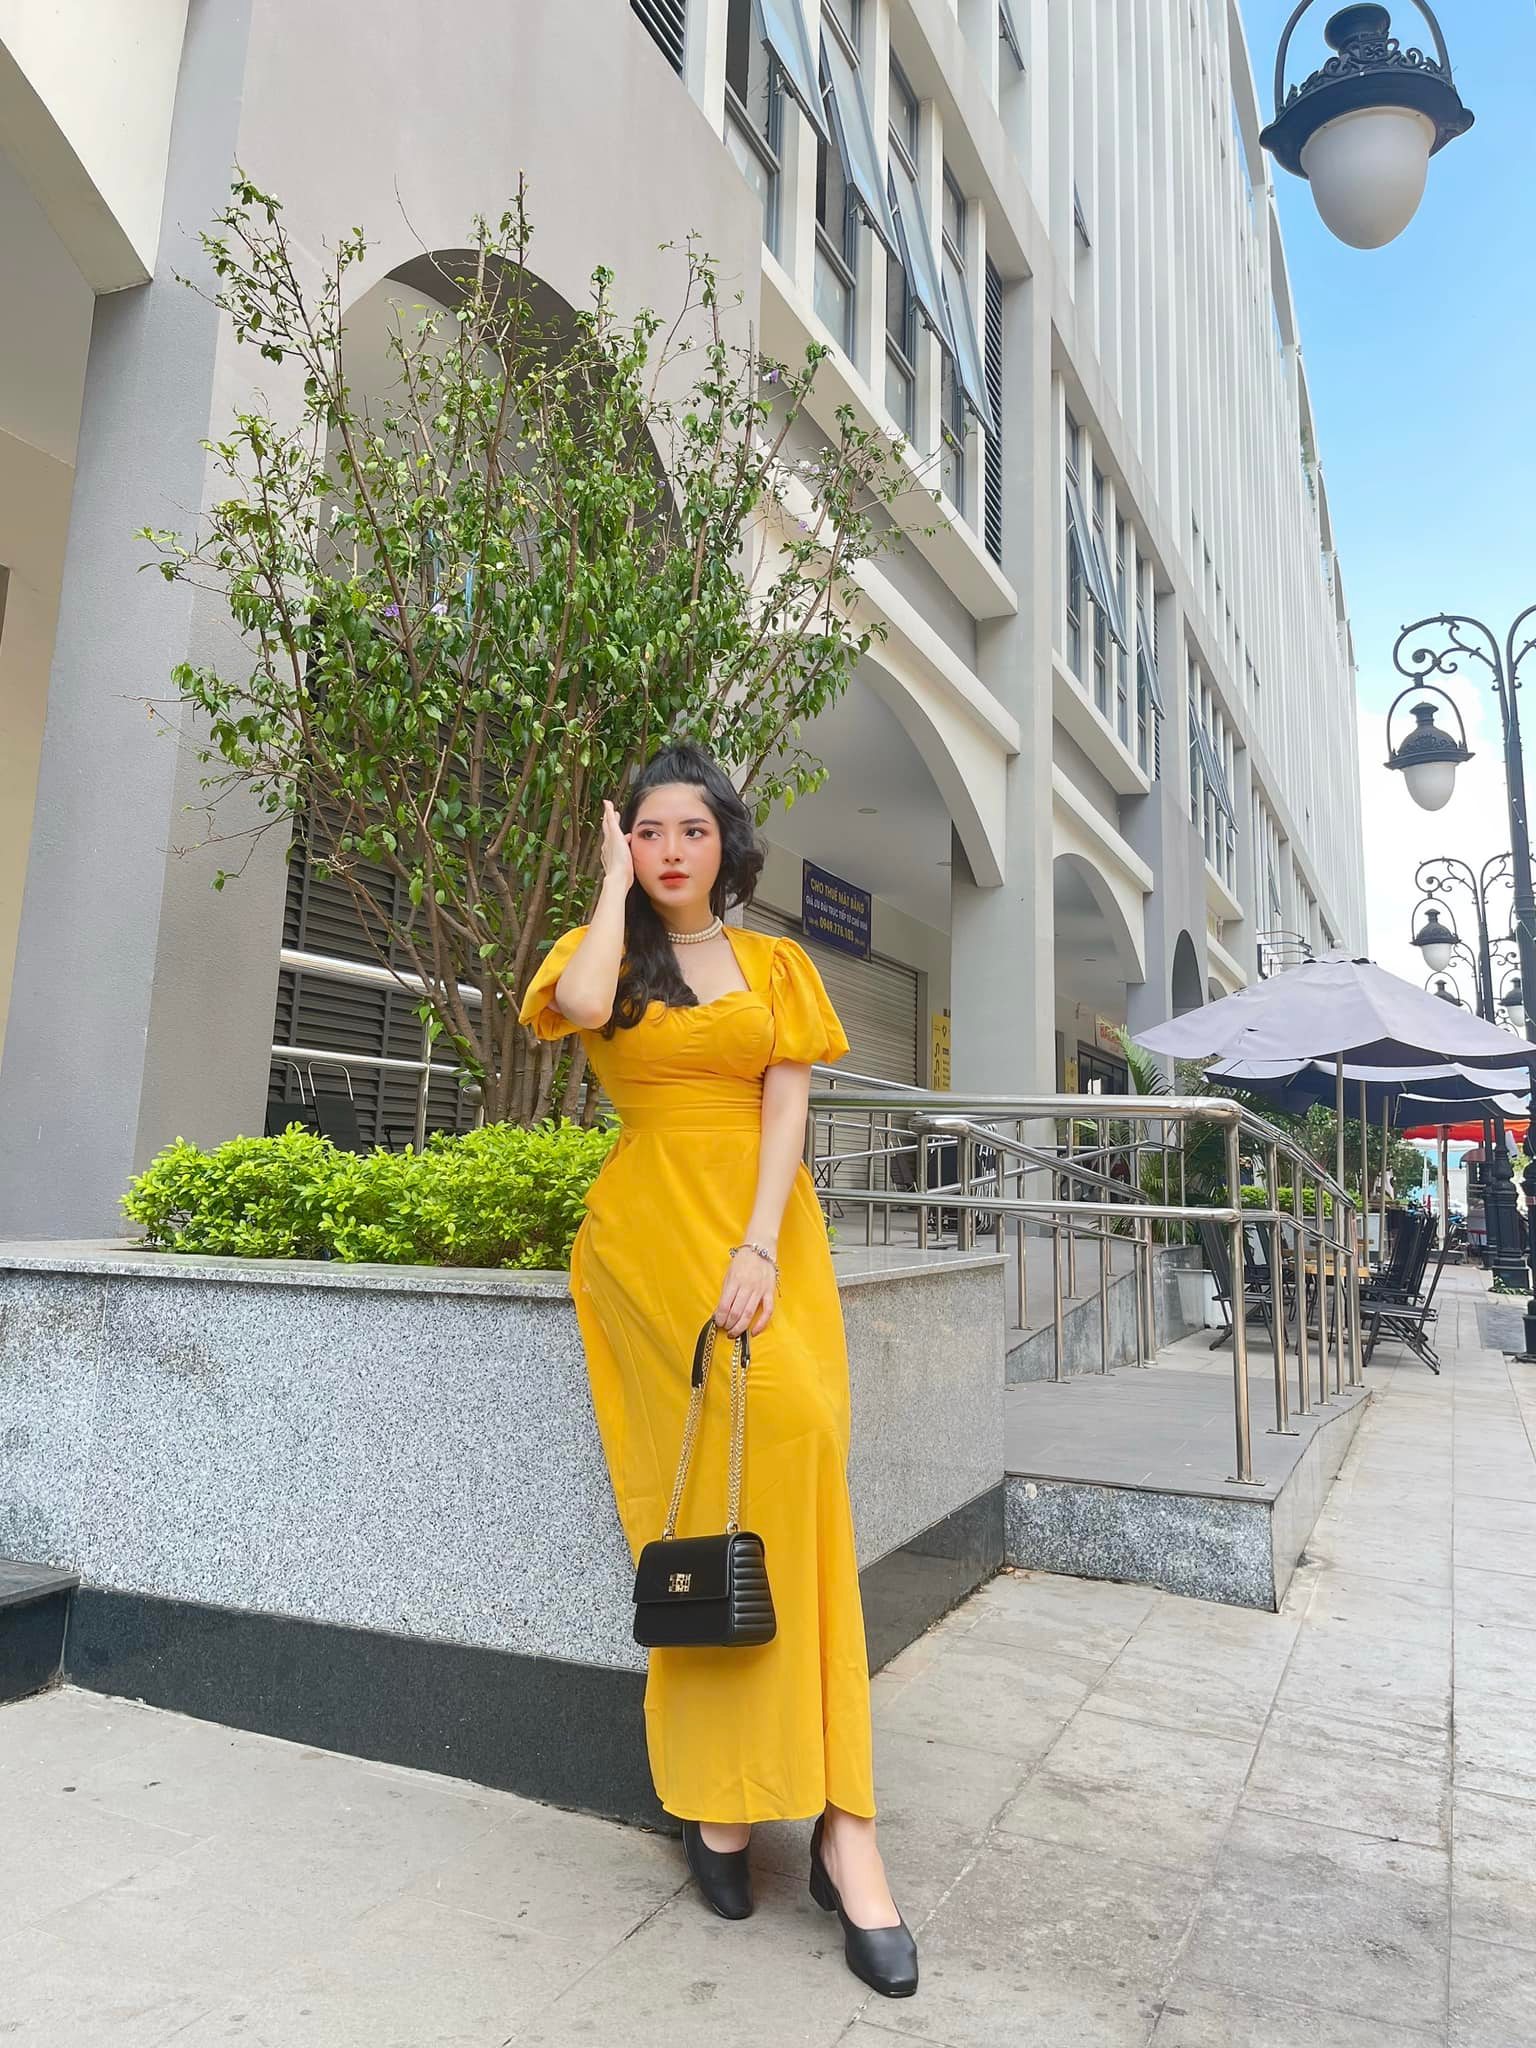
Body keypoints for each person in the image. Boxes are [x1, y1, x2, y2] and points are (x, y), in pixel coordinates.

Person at [517, 741, 918, 2000]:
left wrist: (757, 1244)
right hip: (646, 1242)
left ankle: (845, 1819)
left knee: (799, 1451)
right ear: (625, 844)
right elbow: (583, 1007)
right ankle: (720, 1799)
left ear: (727, 842)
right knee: (699, 1503)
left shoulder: (777, 964)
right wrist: (606, 888)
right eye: (648, 832)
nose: (671, 850)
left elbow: (786, 1109)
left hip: (760, 1235)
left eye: (692, 830)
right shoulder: (600, 954)